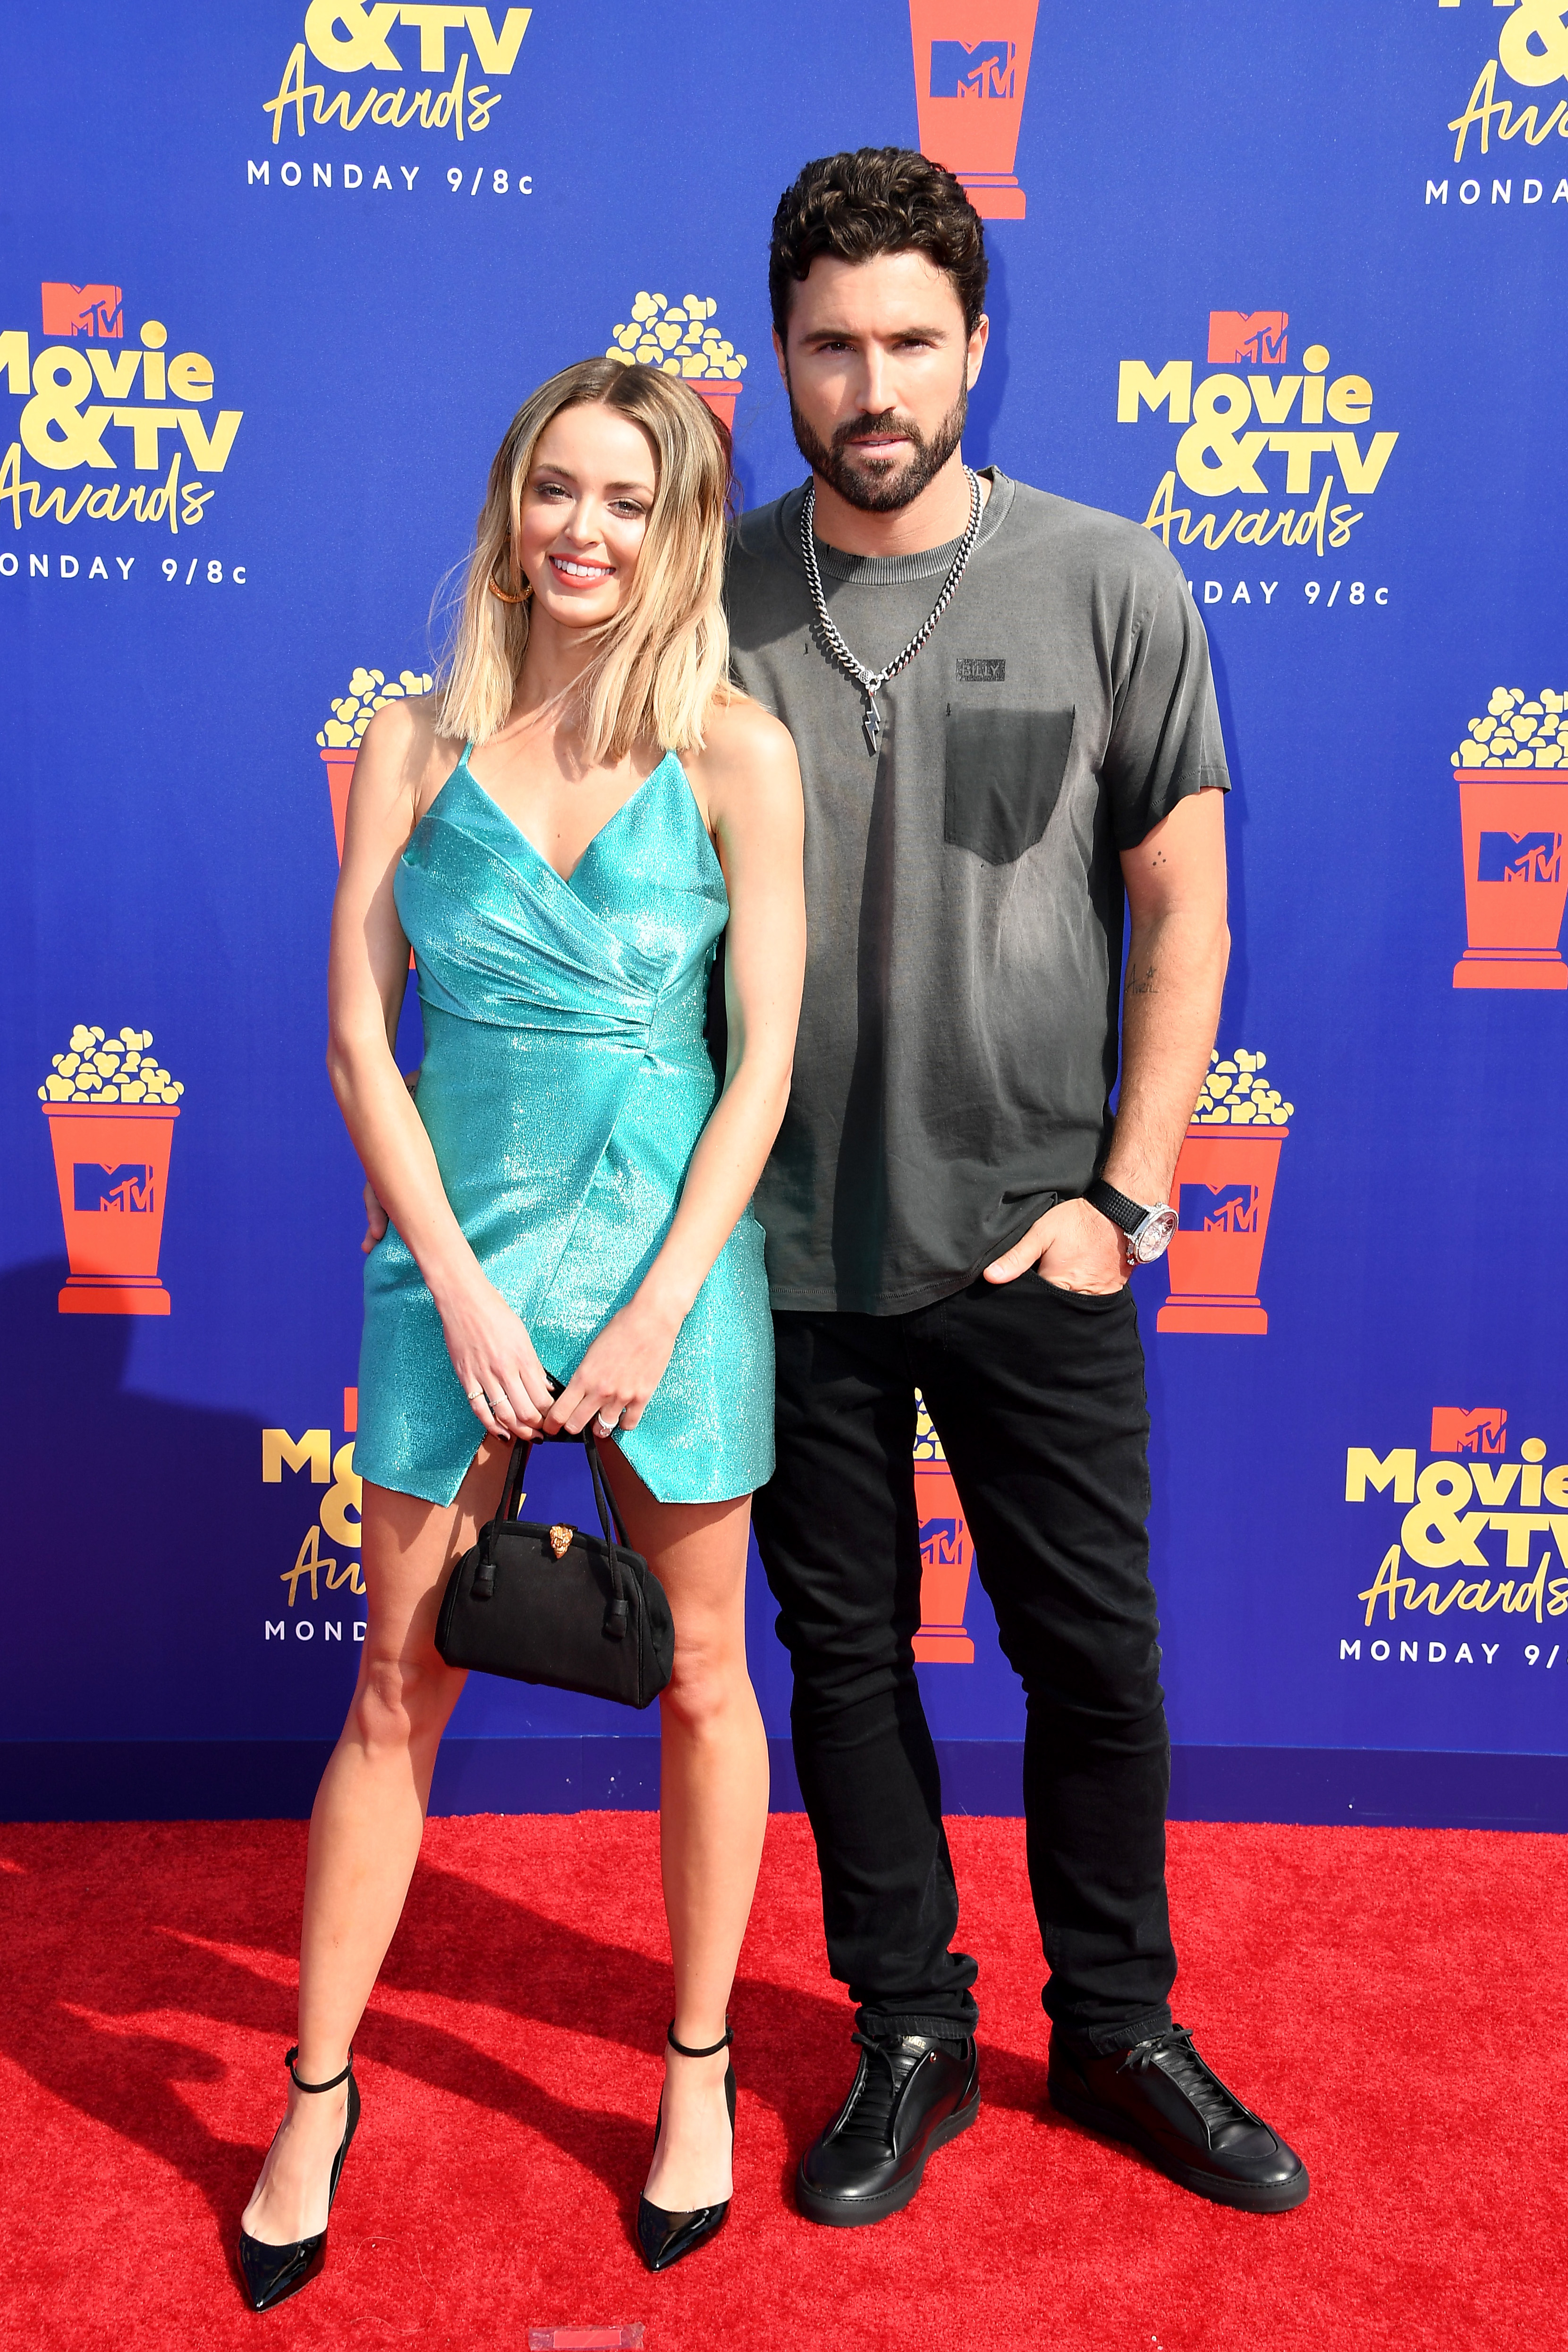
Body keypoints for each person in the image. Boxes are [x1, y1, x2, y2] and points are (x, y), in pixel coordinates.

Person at [724, 148, 1309, 2224]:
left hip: (1037, 1231)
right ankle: (907, 2022)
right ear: (775, 357)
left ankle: (1120, 2018)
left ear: (976, 344)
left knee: (1097, 1654)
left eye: (908, 341)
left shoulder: (1110, 577)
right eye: (830, 346)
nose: (871, 384)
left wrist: (1126, 1202)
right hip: (774, 1250)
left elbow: (1190, 916)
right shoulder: (702, 596)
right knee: (849, 1660)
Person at [237, 358, 805, 2309]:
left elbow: (764, 1069)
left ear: (682, 532)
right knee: (396, 1682)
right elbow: (354, 1045)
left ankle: (700, 2068)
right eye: (554, 490)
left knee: (711, 1681)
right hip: (449, 1269)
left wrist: (657, 1302)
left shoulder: (741, 750)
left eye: (628, 499)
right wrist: (465, 1290)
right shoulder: (406, 745)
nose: (584, 529)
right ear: (506, 514)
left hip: (677, 1282)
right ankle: (315, 2095)